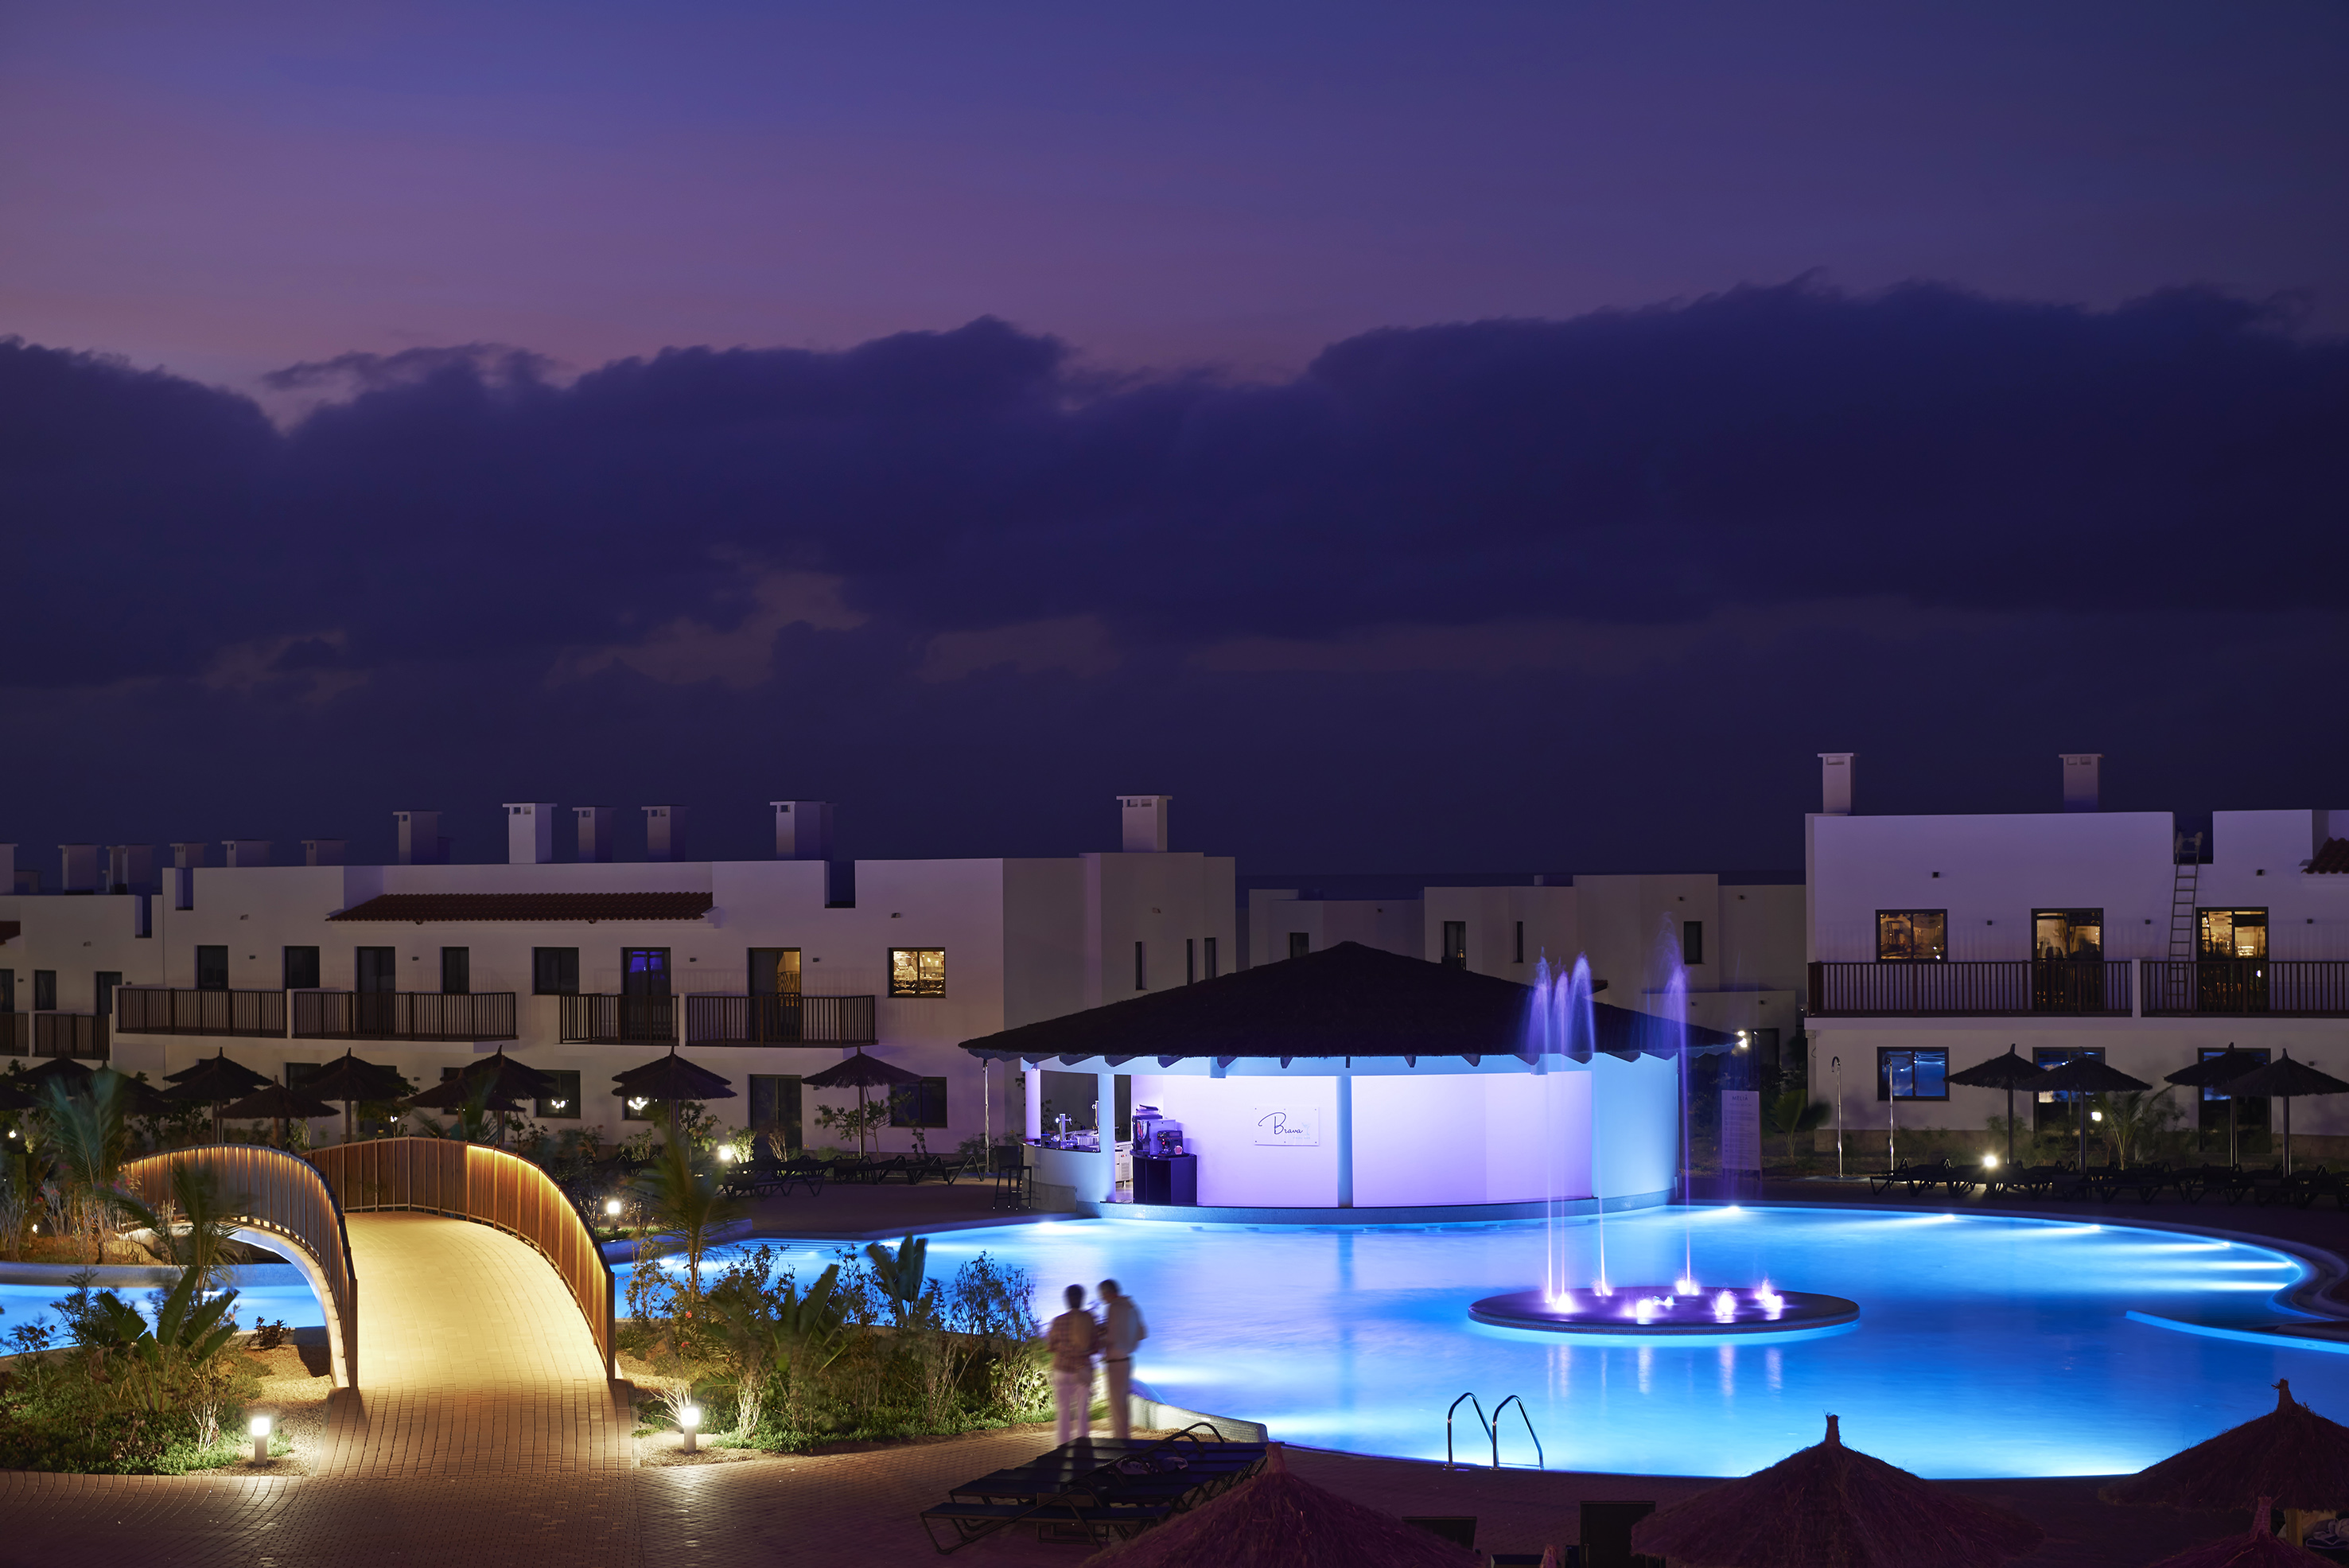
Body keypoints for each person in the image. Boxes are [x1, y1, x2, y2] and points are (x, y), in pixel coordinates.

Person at [1045, 1283, 1098, 1445]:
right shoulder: (1089, 1320)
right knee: (1082, 1412)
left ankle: (1062, 1447)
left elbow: (1051, 1346)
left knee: (1063, 1411)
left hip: (1061, 1370)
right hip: (1082, 1370)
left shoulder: (1058, 1321)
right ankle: (1083, 1447)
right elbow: (1096, 1345)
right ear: (1082, 1299)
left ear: (1067, 1300)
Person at [1097, 1278, 1148, 1442]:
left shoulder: (1114, 1308)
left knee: (1116, 1404)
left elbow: (1111, 1336)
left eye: (1102, 1295)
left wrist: (1100, 1337)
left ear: (1108, 1293)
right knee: (1123, 1403)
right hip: (1127, 1360)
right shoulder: (1131, 1307)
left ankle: (1120, 1440)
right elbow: (1142, 1333)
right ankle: (1125, 1438)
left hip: (1114, 1362)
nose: (1102, 1298)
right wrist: (1129, 1342)